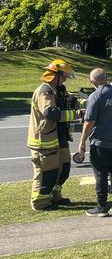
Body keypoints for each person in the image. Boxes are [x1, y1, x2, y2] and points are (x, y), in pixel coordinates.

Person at [28, 59, 81, 211]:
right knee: (47, 172)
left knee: (63, 169)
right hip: (45, 140)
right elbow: (50, 113)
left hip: (59, 137)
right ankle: (40, 202)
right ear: (55, 75)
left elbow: (71, 102)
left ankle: (55, 196)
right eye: (64, 76)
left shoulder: (58, 90)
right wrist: (77, 114)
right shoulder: (44, 91)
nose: (65, 79)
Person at [78, 68, 112, 217]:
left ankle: (101, 206)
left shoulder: (95, 96)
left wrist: (82, 141)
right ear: (106, 78)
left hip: (101, 144)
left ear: (93, 82)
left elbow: (89, 122)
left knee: (101, 174)